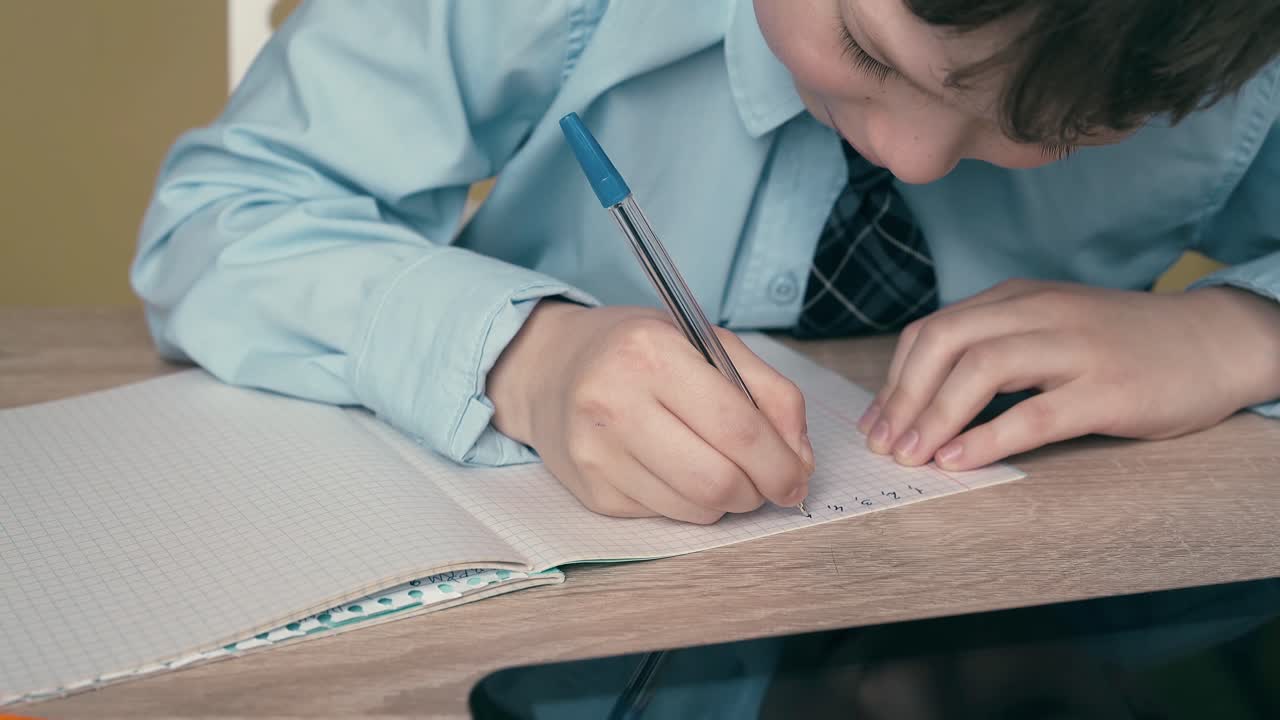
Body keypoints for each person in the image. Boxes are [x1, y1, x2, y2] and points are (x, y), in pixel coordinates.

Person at [134, 1, 1280, 713]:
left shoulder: (1232, 44)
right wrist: (524, 358)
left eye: (1058, 131)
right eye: (865, 51)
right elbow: (218, 214)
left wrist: (1232, 332)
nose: (914, 157)